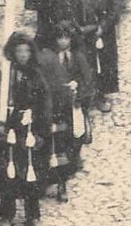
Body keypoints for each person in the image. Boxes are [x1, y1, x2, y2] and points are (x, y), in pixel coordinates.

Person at [0, 32, 51, 226]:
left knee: (31, 173)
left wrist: (40, 130)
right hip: (9, 131)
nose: (22, 55)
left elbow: (45, 104)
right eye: (19, 51)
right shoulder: (4, 76)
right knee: (7, 173)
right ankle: (6, 214)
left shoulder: (37, 75)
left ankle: (33, 215)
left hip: (29, 131)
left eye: (26, 51)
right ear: (12, 52)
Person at [39, 21, 93, 202]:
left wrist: (78, 90)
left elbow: (87, 79)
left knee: (70, 140)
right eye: (59, 38)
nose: (63, 42)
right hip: (52, 105)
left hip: (71, 105)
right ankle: (49, 179)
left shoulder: (77, 57)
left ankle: (63, 181)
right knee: (51, 141)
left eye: (66, 38)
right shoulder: (48, 57)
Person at [75, 0, 124, 113]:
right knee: (86, 63)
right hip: (86, 31)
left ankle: (101, 94)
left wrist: (102, 27)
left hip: (104, 33)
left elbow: (114, 12)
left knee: (104, 65)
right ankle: (86, 95)